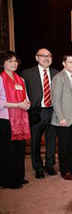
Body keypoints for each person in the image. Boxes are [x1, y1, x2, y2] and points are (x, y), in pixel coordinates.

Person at [21, 48, 58, 179]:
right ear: (37, 58)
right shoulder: (27, 73)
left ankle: (50, 165)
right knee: (35, 141)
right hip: (36, 112)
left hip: (53, 111)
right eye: (43, 56)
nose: (46, 58)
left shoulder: (56, 74)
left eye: (49, 56)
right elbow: (21, 92)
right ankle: (38, 167)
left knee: (51, 141)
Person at [0, 51, 31, 189]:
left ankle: (18, 176)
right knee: (7, 151)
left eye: (15, 61)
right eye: (10, 61)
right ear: (3, 63)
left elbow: (26, 97)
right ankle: (8, 180)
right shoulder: (0, 78)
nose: (14, 63)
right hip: (5, 119)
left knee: (19, 149)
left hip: (20, 120)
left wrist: (27, 103)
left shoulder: (21, 79)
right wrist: (17, 105)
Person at [51, 54, 72, 180]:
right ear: (64, 63)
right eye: (70, 62)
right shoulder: (59, 78)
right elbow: (56, 100)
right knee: (64, 145)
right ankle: (64, 171)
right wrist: (61, 118)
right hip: (64, 117)